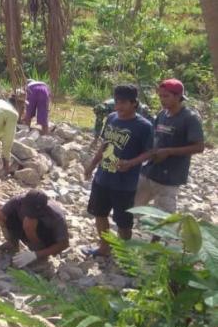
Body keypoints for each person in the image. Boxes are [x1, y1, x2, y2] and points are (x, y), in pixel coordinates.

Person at [83, 85, 153, 258]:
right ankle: (104, 247)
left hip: (125, 184)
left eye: (123, 103)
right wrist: (92, 165)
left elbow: (150, 152)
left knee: (123, 222)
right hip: (103, 178)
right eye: (116, 102)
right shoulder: (112, 118)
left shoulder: (144, 126)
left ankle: (125, 254)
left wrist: (131, 163)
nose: (118, 106)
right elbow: (105, 144)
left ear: (134, 103)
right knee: (99, 214)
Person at [135, 79, 204, 213]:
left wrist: (169, 151)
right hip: (149, 171)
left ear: (178, 97)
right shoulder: (162, 115)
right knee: (130, 208)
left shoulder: (189, 118)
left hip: (169, 178)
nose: (162, 99)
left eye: (166, 96)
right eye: (160, 96)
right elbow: (154, 139)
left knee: (163, 219)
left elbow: (199, 147)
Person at [0, 190, 70, 271]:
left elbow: (64, 244)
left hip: (45, 239)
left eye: (35, 215)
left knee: (29, 223)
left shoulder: (56, 215)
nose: (30, 216)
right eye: (29, 213)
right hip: (21, 230)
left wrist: (36, 255)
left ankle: (38, 252)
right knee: (1, 212)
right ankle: (12, 243)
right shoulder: (17, 201)